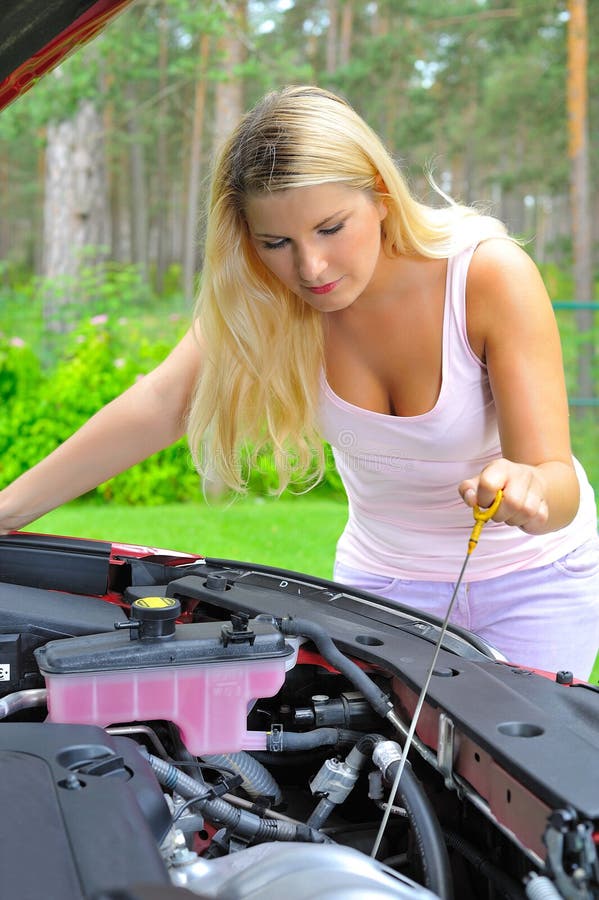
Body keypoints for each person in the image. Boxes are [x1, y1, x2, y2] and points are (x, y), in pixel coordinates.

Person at [0, 85, 597, 679]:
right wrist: (8, 511)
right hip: (381, 589)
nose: (310, 269)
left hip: (536, 582)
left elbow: (556, 482)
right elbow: (162, 404)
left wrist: (530, 488)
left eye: (331, 228)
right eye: (276, 242)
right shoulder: (261, 299)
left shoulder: (485, 275)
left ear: (382, 195)